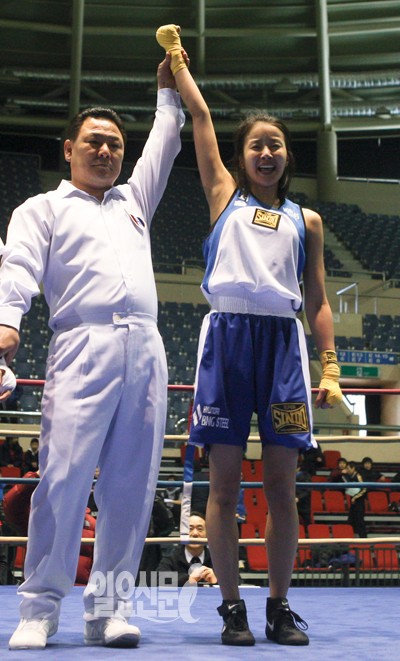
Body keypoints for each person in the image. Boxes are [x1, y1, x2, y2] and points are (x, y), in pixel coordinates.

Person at [156, 24, 343, 648]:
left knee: (283, 487)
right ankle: (232, 607)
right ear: (242, 157)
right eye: (257, 146)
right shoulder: (222, 196)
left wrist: (330, 366)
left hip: (284, 351)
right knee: (226, 484)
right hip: (226, 344)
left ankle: (280, 606)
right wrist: (177, 61)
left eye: (277, 146)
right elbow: (203, 118)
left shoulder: (307, 219)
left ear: (289, 155)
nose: (267, 153)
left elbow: (316, 299)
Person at [0, 51, 185, 650]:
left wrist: (168, 90)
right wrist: (6, 322)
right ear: (69, 149)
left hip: (147, 350)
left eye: (114, 144)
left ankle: (109, 610)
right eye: (94, 142)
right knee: (62, 480)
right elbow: (20, 265)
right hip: (81, 345)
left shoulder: (135, 203)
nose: (106, 151)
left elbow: (167, 139)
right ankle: (40, 609)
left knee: (131, 486)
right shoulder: (43, 209)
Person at [2, 470, 96, 585]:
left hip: (78, 596)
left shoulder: (92, 525)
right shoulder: (38, 519)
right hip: (41, 592)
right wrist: (37, 475)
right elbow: (11, 506)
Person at [156, 511, 217, 587]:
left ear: (208, 533)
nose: (195, 534)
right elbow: (159, 580)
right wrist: (189, 579)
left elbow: (234, 582)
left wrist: (217, 580)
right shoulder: (171, 557)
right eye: (190, 529)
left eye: (200, 529)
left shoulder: (217, 559)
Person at [341, 461, 367, 538]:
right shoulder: (350, 476)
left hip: (359, 502)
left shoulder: (358, 476)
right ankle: (348, 538)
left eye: (348, 468)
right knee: (350, 521)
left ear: (353, 468)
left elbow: (364, 489)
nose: (347, 470)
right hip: (353, 502)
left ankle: (364, 539)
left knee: (360, 521)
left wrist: (355, 497)